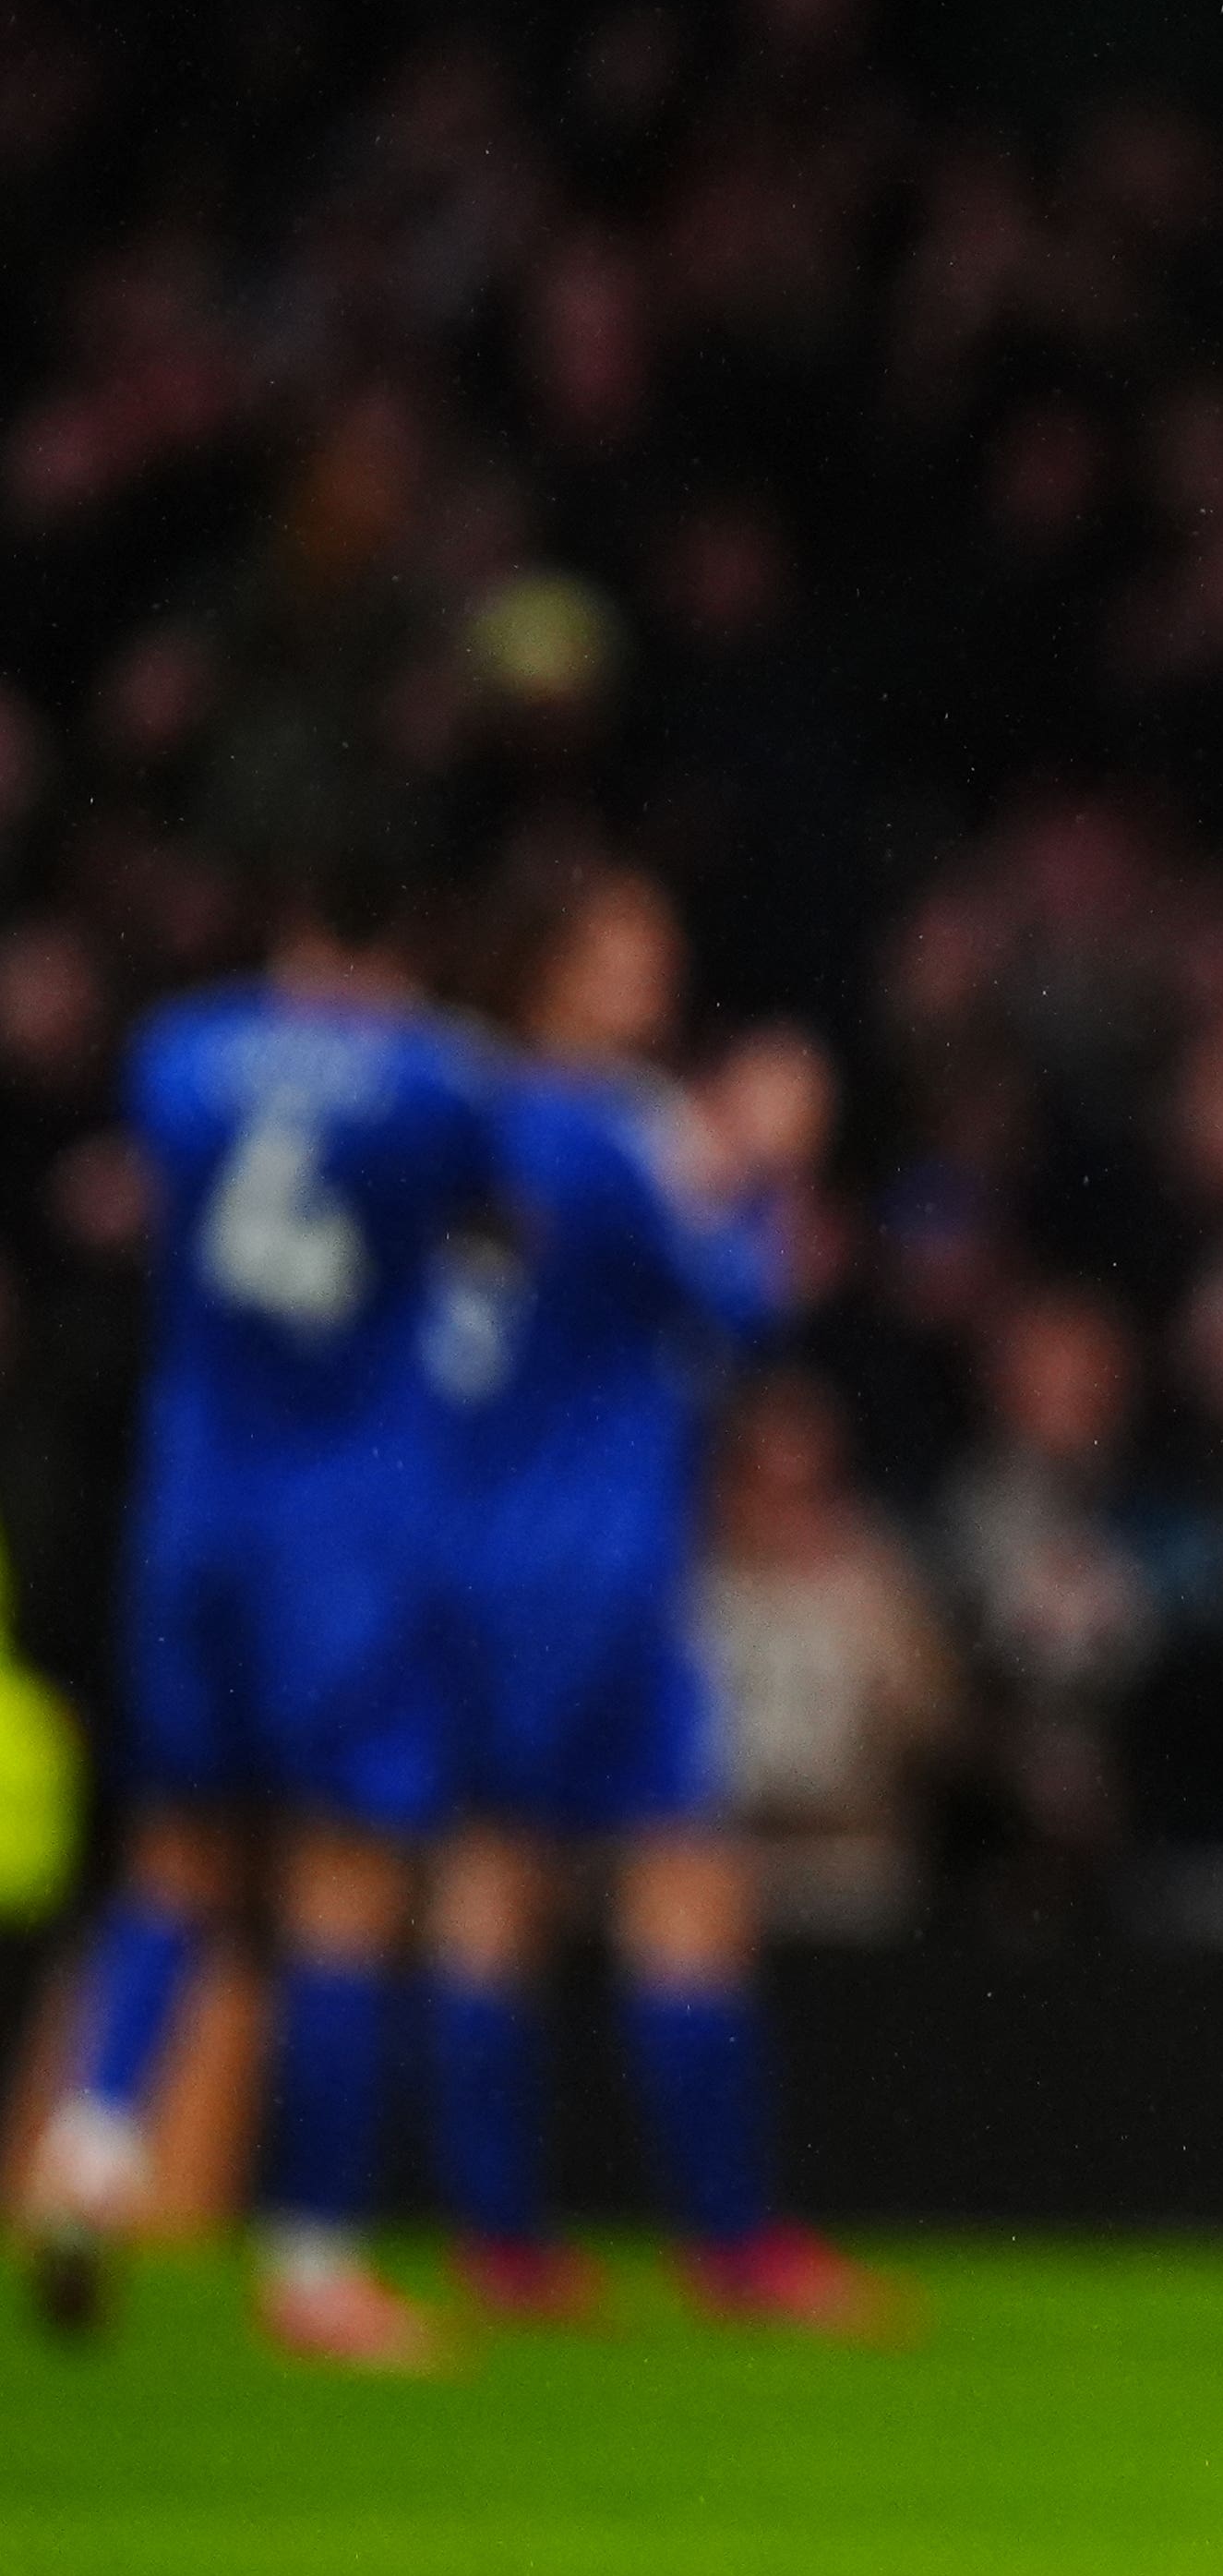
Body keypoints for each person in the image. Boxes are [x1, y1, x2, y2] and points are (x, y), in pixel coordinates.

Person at [15, 839, 491, 2365]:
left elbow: (139, 1199)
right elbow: (489, 1232)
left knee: (176, 1862)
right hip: (345, 1530)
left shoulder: (184, 1052)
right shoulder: (433, 1080)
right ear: (409, 940)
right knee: (345, 1888)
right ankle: (315, 2262)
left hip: (194, 1514)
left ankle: (92, 2148)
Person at [416, 863, 880, 2331]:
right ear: (548, 968)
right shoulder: (603, 1125)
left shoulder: (464, 1116)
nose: (654, 982)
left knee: (523, 1879)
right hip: (593, 1550)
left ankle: (513, 2243)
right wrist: (774, 1160)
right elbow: (741, 1304)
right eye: (624, 955)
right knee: (647, 1879)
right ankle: (721, 2243)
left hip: (484, 1534)